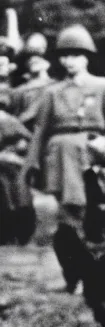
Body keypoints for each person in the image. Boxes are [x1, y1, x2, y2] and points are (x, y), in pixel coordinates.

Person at [24, 25, 105, 291]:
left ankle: (101, 274)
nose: (70, 60)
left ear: (87, 57)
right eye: (65, 55)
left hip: (95, 156)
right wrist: (32, 163)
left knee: (97, 219)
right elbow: (40, 130)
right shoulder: (52, 92)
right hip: (61, 158)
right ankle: (74, 276)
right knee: (68, 219)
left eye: (76, 54)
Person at [0, 37, 33, 246]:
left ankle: (22, 229)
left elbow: (26, 124)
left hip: (13, 147)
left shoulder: (19, 91)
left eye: (2, 62)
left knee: (17, 185)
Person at [11, 33, 55, 132]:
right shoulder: (19, 91)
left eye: (39, 56)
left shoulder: (56, 86)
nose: (33, 59)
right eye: (29, 57)